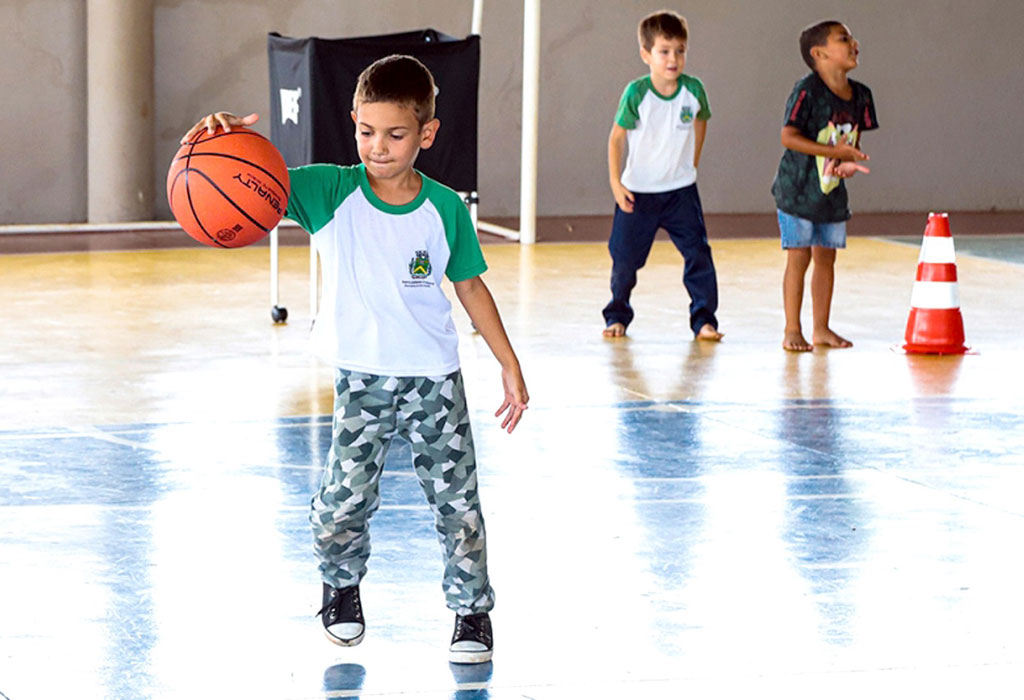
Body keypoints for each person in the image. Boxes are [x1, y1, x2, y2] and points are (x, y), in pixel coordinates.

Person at [181, 54, 528, 664]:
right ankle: (340, 586)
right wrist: (218, 138)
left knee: (458, 505)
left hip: (434, 382)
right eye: (366, 131)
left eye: (395, 134)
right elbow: (247, 181)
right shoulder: (329, 191)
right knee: (345, 498)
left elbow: (471, 287)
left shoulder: (444, 208)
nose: (378, 146)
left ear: (427, 133)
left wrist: (508, 362)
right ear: (352, 122)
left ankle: (471, 611)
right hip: (361, 379)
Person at [603, 10, 723, 341]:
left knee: (698, 254)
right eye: (664, 51)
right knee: (625, 259)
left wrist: (690, 164)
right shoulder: (637, 93)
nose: (673, 58)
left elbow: (701, 122)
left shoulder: (694, 90)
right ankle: (617, 315)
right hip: (638, 192)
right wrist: (617, 184)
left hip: (681, 192)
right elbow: (616, 139)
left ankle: (704, 320)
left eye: (680, 50)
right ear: (647, 55)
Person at [771, 20, 878, 351]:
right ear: (819, 54)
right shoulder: (807, 90)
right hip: (798, 190)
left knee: (826, 258)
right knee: (799, 257)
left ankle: (821, 328)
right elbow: (788, 136)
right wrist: (833, 152)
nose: (853, 43)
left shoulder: (861, 95)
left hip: (829, 192)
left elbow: (851, 137)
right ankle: (792, 328)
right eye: (843, 39)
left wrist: (846, 163)